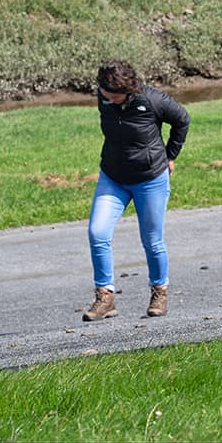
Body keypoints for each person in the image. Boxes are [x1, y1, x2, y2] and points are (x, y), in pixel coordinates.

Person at [82, 60, 191, 321]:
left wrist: (170, 156)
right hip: (113, 177)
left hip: (150, 178)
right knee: (98, 232)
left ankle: (159, 291)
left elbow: (182, 120)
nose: (108, 99)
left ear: (128, 90)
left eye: (114, 96)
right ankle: (105, 297)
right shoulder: (103, 96)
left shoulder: (152, 100)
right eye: (105, 94)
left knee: (152, 240)